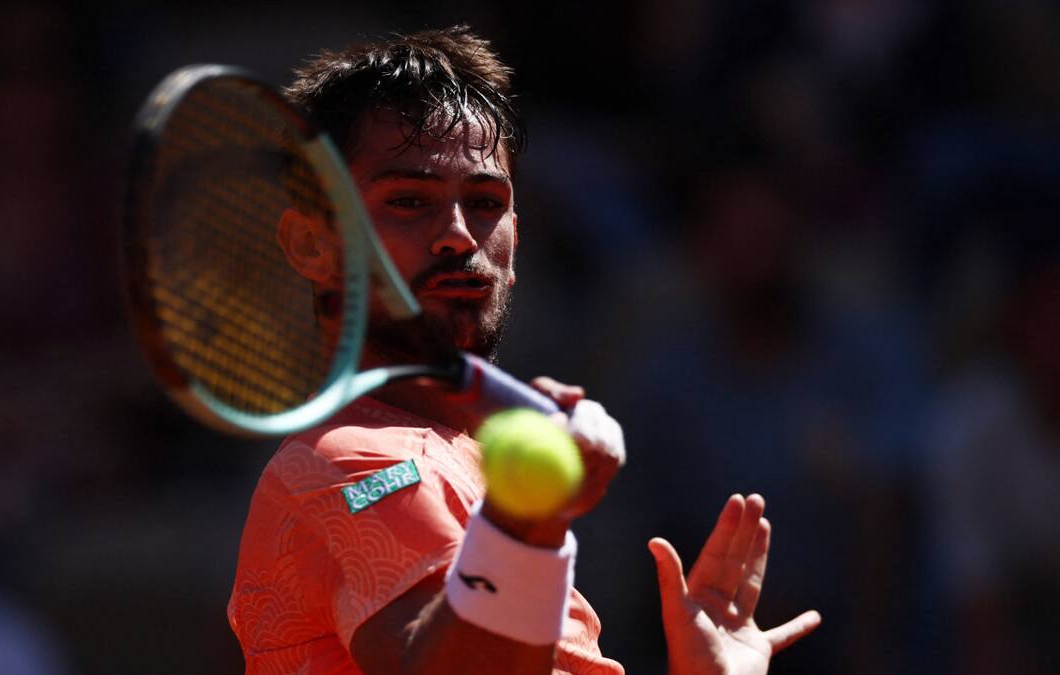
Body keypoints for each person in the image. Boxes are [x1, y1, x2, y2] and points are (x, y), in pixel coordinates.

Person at [227, 25, 820, 674]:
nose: (457, 234)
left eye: (484, 202)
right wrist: (525, 524)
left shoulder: (468, 466)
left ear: (517, 242)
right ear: (312, 244)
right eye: (407, 200)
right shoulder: (345, 462)